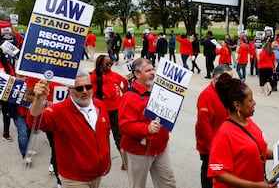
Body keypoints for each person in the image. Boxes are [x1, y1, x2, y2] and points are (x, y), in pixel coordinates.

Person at [28, 70, 111, 188]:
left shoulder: (100, 105)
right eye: (79, 89)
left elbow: (106, 134)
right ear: (69, 91)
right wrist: (38, 99)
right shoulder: (59, 111)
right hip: (74, 179)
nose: (85, 91)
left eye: (88, 87)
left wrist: (107, 160)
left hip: (97, 174)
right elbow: (34, 123)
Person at [207, 73, 278, 188]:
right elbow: (219, 174)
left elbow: (258, 151)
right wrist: (253, 185)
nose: (254, 103)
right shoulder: (224, 133)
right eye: (250, 100)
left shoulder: (249, 122)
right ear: (237, 105)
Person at [118, 58, 176, 188]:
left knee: (168, 184)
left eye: (153, 69)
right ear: (137, 74)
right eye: (148, 70)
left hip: (160, 147)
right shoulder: (129, 97)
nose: (152, 72)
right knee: (137, 185)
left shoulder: (158, 90)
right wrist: (146, 128)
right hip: (138, 151)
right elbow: (124, 125)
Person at [196, 64, 233, 188]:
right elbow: (204, 125)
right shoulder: (207, 96)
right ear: (217, 79)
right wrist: (213, 149)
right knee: (210, 171)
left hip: (223, 143)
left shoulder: (224, 92)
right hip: (211, 147)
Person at [91, 55, 128, 170]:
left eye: (111, 63)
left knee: (119, 137)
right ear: (100, 65)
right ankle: (105, 161)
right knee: (102, 137)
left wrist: (122, 96)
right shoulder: (93, 77)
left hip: (116, 111)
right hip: (101, 112)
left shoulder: (115, 76)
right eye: (107, 64)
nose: (110, 66)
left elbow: (125, 84)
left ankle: (125, 162)